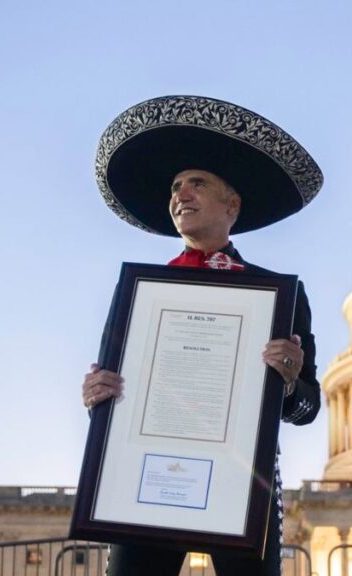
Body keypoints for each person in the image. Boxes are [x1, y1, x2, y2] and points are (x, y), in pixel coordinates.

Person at [81, 95, 324, 575]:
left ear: (231, 204)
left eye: (197, 183)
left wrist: (290, 380)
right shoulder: (139, 293)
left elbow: (306, 409)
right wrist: (97, 395)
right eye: (175, 186)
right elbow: (115, 392)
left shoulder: (281, 298)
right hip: (147, 475)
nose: (181, 194)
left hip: (244, 480)